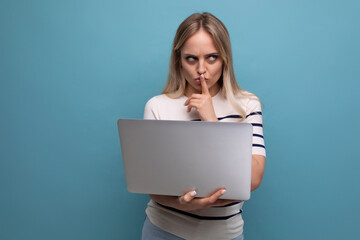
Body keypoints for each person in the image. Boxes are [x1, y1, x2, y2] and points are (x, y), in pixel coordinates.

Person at [141, 12, 266, 240]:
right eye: (191, 58)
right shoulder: (157, 106)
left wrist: (211, 120)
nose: (201, 70)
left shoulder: (246, 104)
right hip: (164, 231)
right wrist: (186, 205)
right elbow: (153, 184)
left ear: (225, 58)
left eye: (211, 57)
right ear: (178, 60)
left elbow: (253, 178)